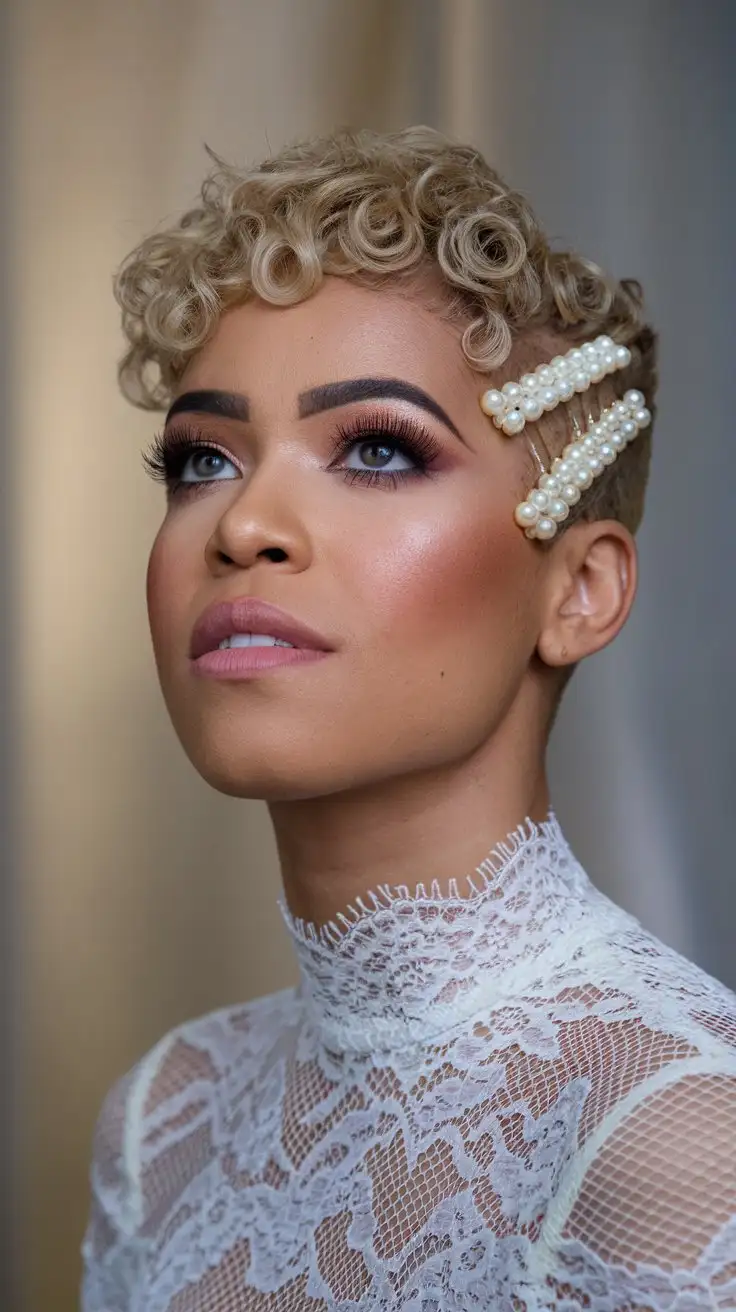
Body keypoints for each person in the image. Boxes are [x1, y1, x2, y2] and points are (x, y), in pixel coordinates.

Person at [81, 126, 736, 1311]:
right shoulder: (160, 1123)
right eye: (200, 460)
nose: (242, 526)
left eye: (377, 449)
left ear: (579, 592)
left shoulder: (680, 1136)